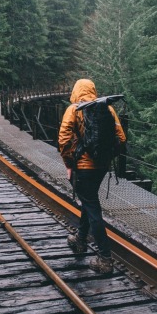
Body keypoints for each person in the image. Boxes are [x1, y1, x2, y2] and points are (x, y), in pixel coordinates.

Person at [58, 78, 126, 274]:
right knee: (89, 202)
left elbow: (63, 140)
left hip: (82, 167)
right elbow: (121, 138)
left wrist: (69, 163)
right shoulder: (108, 108)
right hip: (101, 167)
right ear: (93, 90)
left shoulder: (74, 109)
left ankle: (105, 259)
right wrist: (104, 156)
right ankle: (80, 239)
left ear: (76, 91)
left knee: (93, 208)